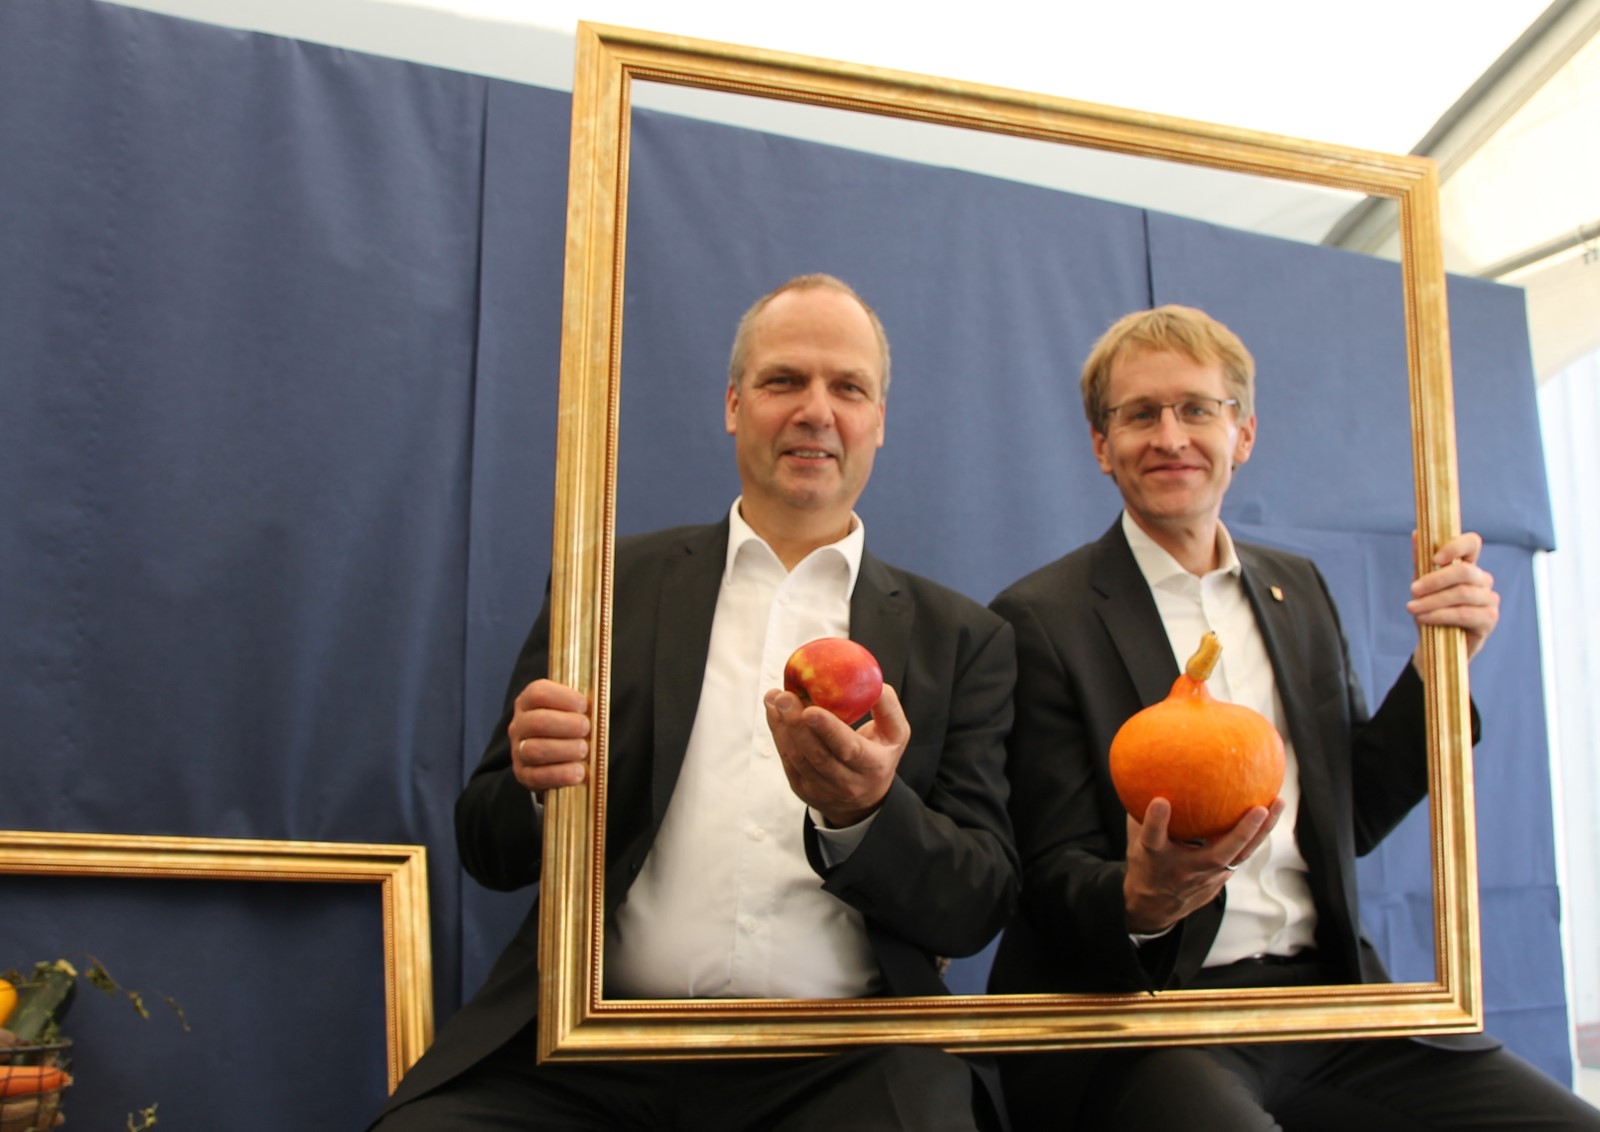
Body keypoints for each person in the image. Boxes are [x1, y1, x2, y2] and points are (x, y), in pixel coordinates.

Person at [371, 274, 1019, 1131]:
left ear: (879, 422)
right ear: (733, 404)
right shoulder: (607, 590)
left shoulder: (962, 639)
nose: (816, 411)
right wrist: (532, 784)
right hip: (590, 1051)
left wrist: (866, 812)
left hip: (845, 1063)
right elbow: (487, 845)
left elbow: (976, 904)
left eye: (847, 387)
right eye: (784, 380)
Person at [986, 304, 1600, 1130]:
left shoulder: (1296, 589)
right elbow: (1048, 872)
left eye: (1198, 408)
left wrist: (1440, 664)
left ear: (1243, 434)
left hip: (1333, 1001)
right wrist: (1143, 899)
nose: (1171, 435)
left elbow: (1347, 820)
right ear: (1103, 446)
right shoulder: (1041, 617)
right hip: (1156, 1016)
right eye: (1140, 414)